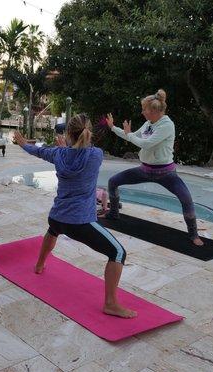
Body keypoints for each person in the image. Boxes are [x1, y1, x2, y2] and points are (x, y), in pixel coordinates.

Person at [13, 114, 137, 319]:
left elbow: (37, 151)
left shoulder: (58, 154)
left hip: (57, 217)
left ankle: (39, 265)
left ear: (68, 134)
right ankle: (110, 303)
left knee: (53, 231)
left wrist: (24, 143)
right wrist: (65, 148)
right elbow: (79, 151)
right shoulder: (95, 155)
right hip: (80, 223)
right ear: (88, 134)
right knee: (118, 253)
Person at [102, 89, 204, 246]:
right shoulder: (149, 123)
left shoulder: (167, 126)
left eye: (144, 109)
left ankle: (193, 234)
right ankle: (114, 214)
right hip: (145, 170)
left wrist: (129, 135)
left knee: (187, 200)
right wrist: (113, 127)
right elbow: (133, 135)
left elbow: (146, 143)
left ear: (154, 111)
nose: (142, 112)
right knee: (113, 181)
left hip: (166, 173)